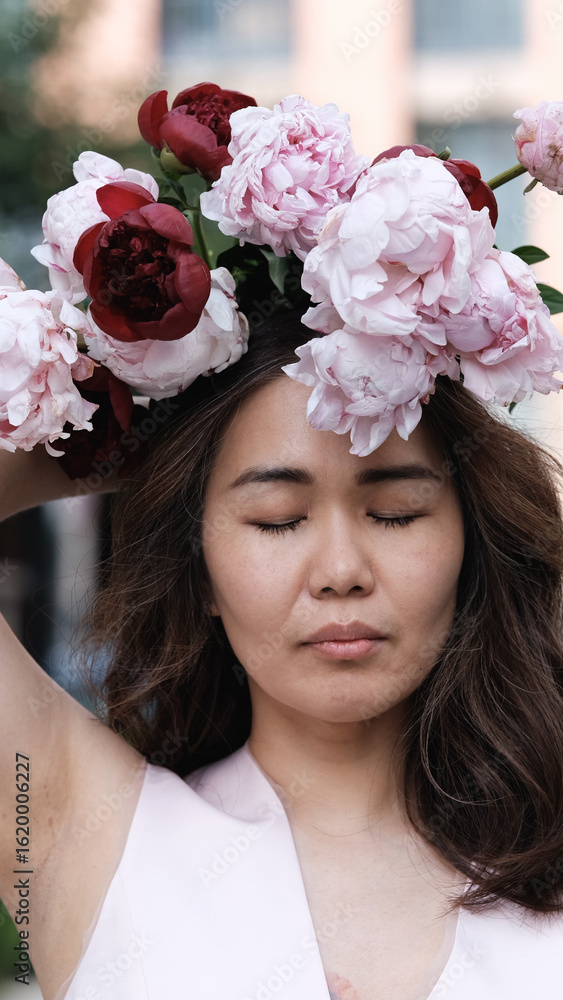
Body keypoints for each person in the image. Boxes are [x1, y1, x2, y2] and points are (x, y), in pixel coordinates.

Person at [1, 305, 563, 1000]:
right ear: (198, 562)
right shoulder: (79, 826)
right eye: (276, 519)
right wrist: (154, 401)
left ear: (468, 547)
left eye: (395, 512)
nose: (339, 570)